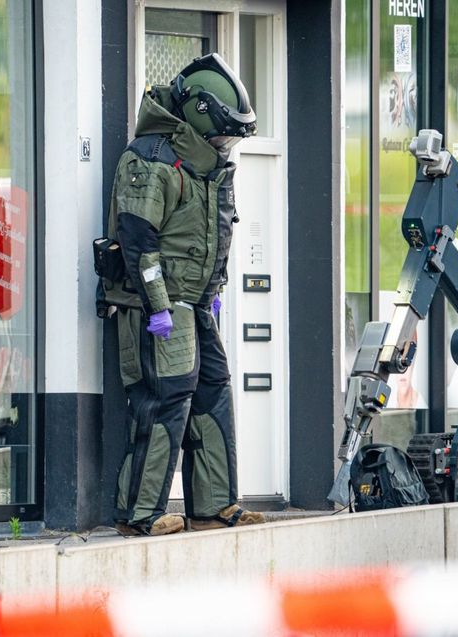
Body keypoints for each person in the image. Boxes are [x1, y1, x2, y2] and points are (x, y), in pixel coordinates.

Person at [103, 54, 263, 536]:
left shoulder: (204, 168)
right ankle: (140, 514)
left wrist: (211, 294)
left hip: (193, 305)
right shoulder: (152, 159)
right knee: (164, 399)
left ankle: (213, 506)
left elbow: (212, 237)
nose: (226, 144)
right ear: (197, 113)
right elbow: (138, 240)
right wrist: (156, 307)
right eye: (224, 132)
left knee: (213, 392)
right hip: (156, 307)